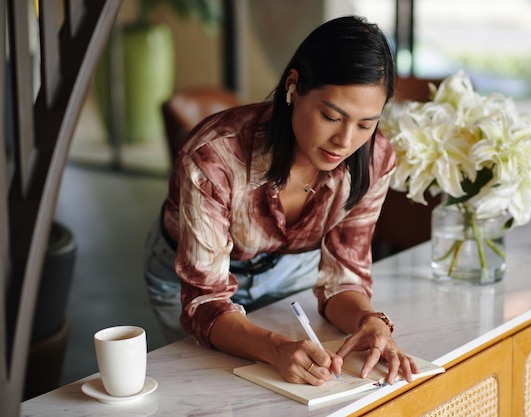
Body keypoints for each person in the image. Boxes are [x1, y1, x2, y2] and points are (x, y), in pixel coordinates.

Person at [143, 15, 418, 386]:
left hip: (290, 270)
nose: (345, 140)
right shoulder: (215, 157)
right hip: (192, 278)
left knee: (294, 391)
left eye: (366, 124)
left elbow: (343, 277)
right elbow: (205, 303)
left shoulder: (375, 157)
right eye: (331, 116)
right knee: (214, 393)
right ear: (293, 86)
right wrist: (275, 348)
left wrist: (370, 321)